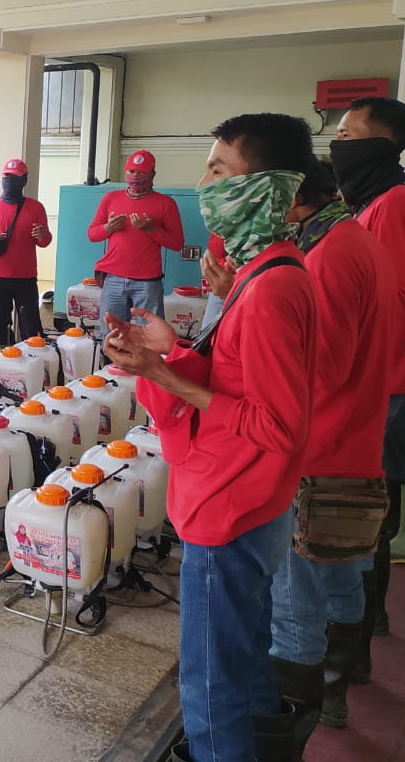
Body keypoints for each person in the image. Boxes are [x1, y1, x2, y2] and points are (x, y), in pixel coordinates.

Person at [104, 113, 317, 762]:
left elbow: (278, 425)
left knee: (208, 682)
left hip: (230, 509)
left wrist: (166, 376)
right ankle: (270, 741)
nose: (204, 185)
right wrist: (173, 350)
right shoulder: (269, 269)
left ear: (264, 186)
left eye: (219, 170)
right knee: (244, 651)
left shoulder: (271, 290)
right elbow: (240, 377)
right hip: (254, 500)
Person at [267, 158, 394, 750]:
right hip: (355, 441)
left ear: (293, 200)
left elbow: (321, 368)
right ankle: (341, 684)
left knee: (295, 599)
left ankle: (289, 730)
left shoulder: (327, 256)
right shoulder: (354, 238)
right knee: (343, 572)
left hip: (317, 453)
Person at [329, 95, 405, 666]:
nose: (338, 146)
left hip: (386, 381)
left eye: (347, 136)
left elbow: (384, 304)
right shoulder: (369, 202)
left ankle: (352, 651)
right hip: (378, 379)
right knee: (368, 505)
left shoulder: (393, 204)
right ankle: (363, 628)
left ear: (382, 144)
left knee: (364, 510)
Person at [88, 149, 185, 342]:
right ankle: (110, 363)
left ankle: (145, 364)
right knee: (111, 335)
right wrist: (108, 228)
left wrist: (151, 229)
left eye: (141, 172)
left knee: (151, 337)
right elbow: (92, 234)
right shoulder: (110, 198)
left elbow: (177, 243)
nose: (135, 176)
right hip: (113, 278)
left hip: (148, 281)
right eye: (131, 171)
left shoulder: (166, 203)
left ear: (153, 174)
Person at [0, 158, 52, 348]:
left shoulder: (35, 207)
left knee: (30, 325)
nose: (9, 180)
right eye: (6, 176)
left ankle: (33, 357)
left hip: (25, 278)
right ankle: (4, 357)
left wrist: (43, 235)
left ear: (24, 180)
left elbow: (44, 242)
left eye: (14, 177)